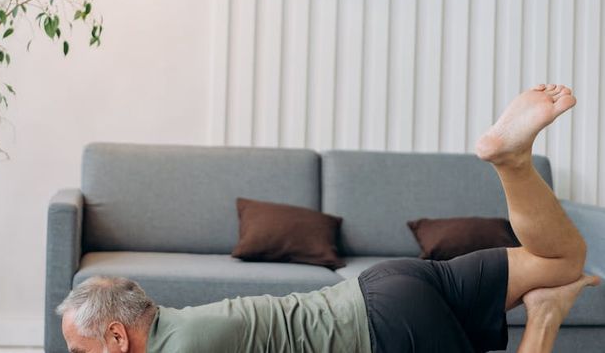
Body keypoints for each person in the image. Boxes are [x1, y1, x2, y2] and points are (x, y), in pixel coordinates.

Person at [57, 84, 600, 353]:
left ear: (116, 336)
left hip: (382, 327)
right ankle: (513, 163)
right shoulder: (178, 324)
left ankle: (545, 318)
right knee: (561, 257)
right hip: (387, 284)